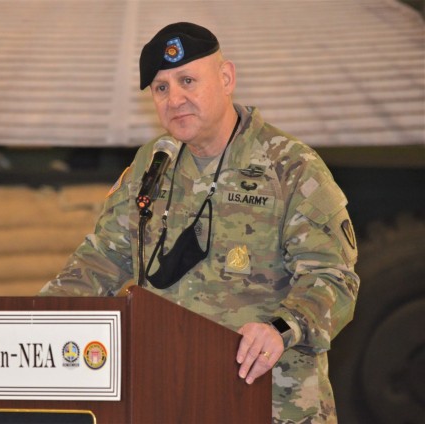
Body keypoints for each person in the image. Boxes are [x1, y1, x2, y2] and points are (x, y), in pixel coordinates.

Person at [40, 22, 359, 423]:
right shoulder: (153, 164)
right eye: (161, 88)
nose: (175, 99)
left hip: (270, 402)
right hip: (170, 399)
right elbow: (101, 259)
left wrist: (279, 328)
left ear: (226, 78)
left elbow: (333, 278)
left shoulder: (291, 167)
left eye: (187, 80)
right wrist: (38, 320)